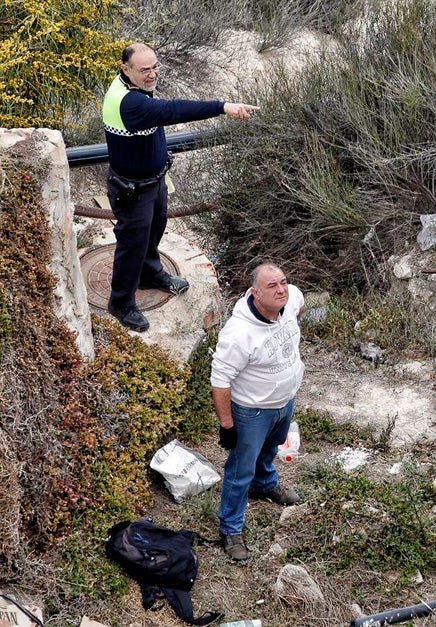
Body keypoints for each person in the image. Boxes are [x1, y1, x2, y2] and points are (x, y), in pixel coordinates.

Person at [103, 42, 260, 332]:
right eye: (144, 70)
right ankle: (121, 302)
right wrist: (222, 107)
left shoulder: (135, 86)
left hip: (152, 181)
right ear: (125, 69)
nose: (152, 75)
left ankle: (149, 273)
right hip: (133, 189)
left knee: (154, 230)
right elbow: (173, 110)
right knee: (131, 245)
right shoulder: (129, 102)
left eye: (155, 67)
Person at [210, 263, 305, 561]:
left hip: (283, 403)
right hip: (251, 412)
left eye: (283, 282)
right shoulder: (238, 334)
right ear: (254, 293)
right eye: (272, 286)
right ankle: (230, 528)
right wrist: (228, 425)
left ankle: (264, 485)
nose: (281, 290)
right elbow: (220, 379)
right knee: (240, 471)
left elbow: (298, 305)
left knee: (270, 449)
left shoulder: (290, 301)